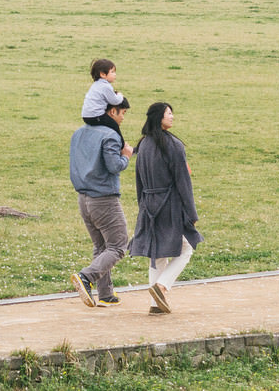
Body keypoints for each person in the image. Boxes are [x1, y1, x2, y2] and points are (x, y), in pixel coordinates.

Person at [128, 101, 202, 315]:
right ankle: (161, 286)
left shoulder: (143, 145)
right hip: (169, 205)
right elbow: (183, 182)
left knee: (156, 253)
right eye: (168, 113)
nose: (172, 117)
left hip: (148, 204)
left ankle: (155, 305)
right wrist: (191, 212)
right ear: (158, 117)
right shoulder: (174, 146)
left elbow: (138, 180)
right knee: (186, 248)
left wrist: (142, 204)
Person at [68, 97, 133, 308]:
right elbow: (114, 166)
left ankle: (105, 293)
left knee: (101, 246)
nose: (123, 119)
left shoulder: (78, 133)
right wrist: (127, 156)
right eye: (122, 113)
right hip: (104, 198)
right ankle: (85, 277)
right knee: (118, 246)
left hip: (83, 198)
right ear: (112, 112)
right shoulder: (110, 135)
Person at [81, 58, 123, 126]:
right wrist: (120, 95)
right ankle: (118, 137)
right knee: (114, 125)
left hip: (86, 116)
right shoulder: (106, 86)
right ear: (103, 74)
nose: (115, 74)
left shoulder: (95, 85)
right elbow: (115, 101)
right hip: (96, 116)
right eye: (112, 72)